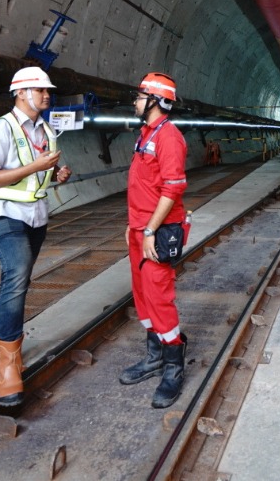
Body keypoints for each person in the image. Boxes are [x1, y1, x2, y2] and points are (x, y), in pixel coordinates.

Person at [0, 66, 71, 406]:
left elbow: (37, 173)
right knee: (16, 273)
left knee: (15, 281)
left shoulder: (46, 130)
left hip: (35, 217)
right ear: (21, 93)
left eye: (47, 90)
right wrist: (35, 168)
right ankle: (9, 366)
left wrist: (57, 174)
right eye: (40, 90)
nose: (47, 95)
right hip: (1, 216)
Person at [119, 72, 190, 408]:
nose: (135, 101)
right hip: (139, 229)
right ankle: (155, 356)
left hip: (158, 231)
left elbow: (173, 187)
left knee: (159, 296)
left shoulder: (169, 137)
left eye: (140, 96)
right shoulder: (146, 133)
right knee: (143, 295)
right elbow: (143, 186)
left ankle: (174, 365)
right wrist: (133, 226)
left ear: (156, 101)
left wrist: (149, 230)